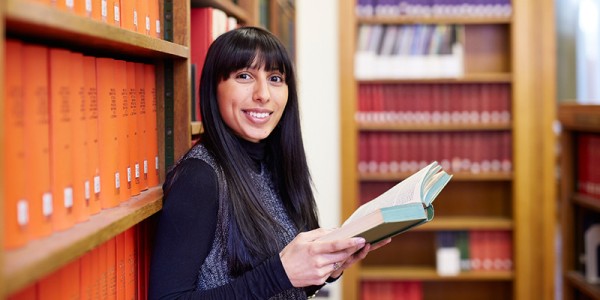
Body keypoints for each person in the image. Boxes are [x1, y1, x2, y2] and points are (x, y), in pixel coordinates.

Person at [148, 26, 390, 299]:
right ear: (213, 89)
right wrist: (280, 273)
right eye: (244, 76)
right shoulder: (199, 177)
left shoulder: (275, 165)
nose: (263, 94)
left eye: (275, 78)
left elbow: (280, 288)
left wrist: (329, 266)